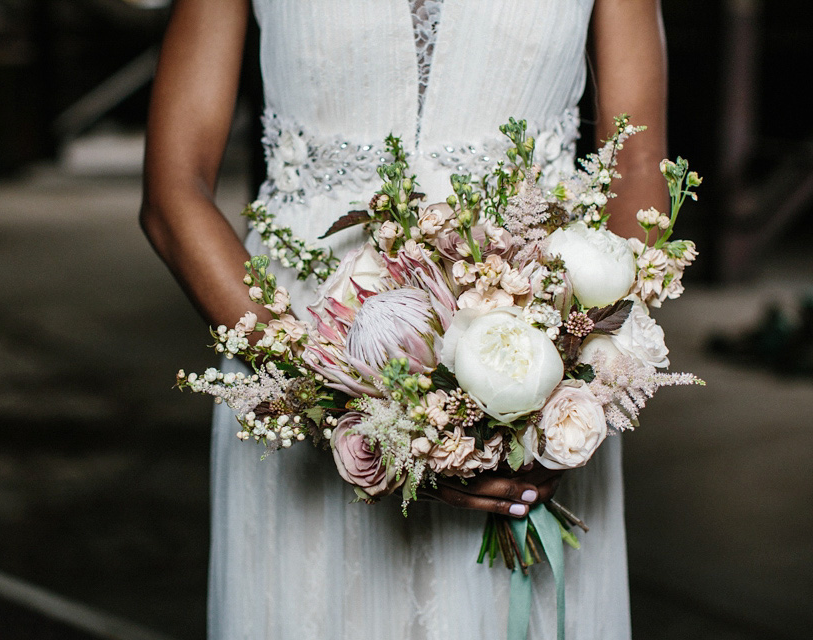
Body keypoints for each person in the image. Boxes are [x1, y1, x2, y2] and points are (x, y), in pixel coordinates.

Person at [140, 1, 667, 638]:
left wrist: (584, 374)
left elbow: (638, 163)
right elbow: (174, 190)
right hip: (296, 344)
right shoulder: (314, 378)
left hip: (536, 350)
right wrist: (350, 405)